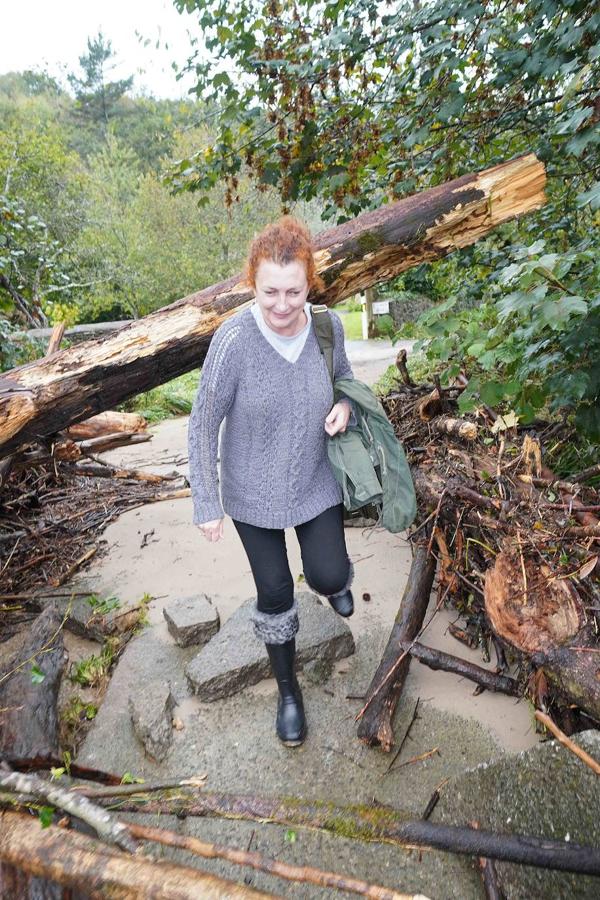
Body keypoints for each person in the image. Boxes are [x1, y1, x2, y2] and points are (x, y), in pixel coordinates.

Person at [187, 216, 356, 747]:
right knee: (277, 593)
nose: (283, 306)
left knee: (327, 575)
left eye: (293, 292)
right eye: (269, 293)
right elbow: (201, 422)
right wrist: (206, 500)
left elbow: (346, 381)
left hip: (314, 477)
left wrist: (345, 406)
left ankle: (335, 582)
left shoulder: (328, 327)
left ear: (310, 282)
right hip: (252, 491)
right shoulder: (233, 340)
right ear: (251, 285)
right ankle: (289, 693)